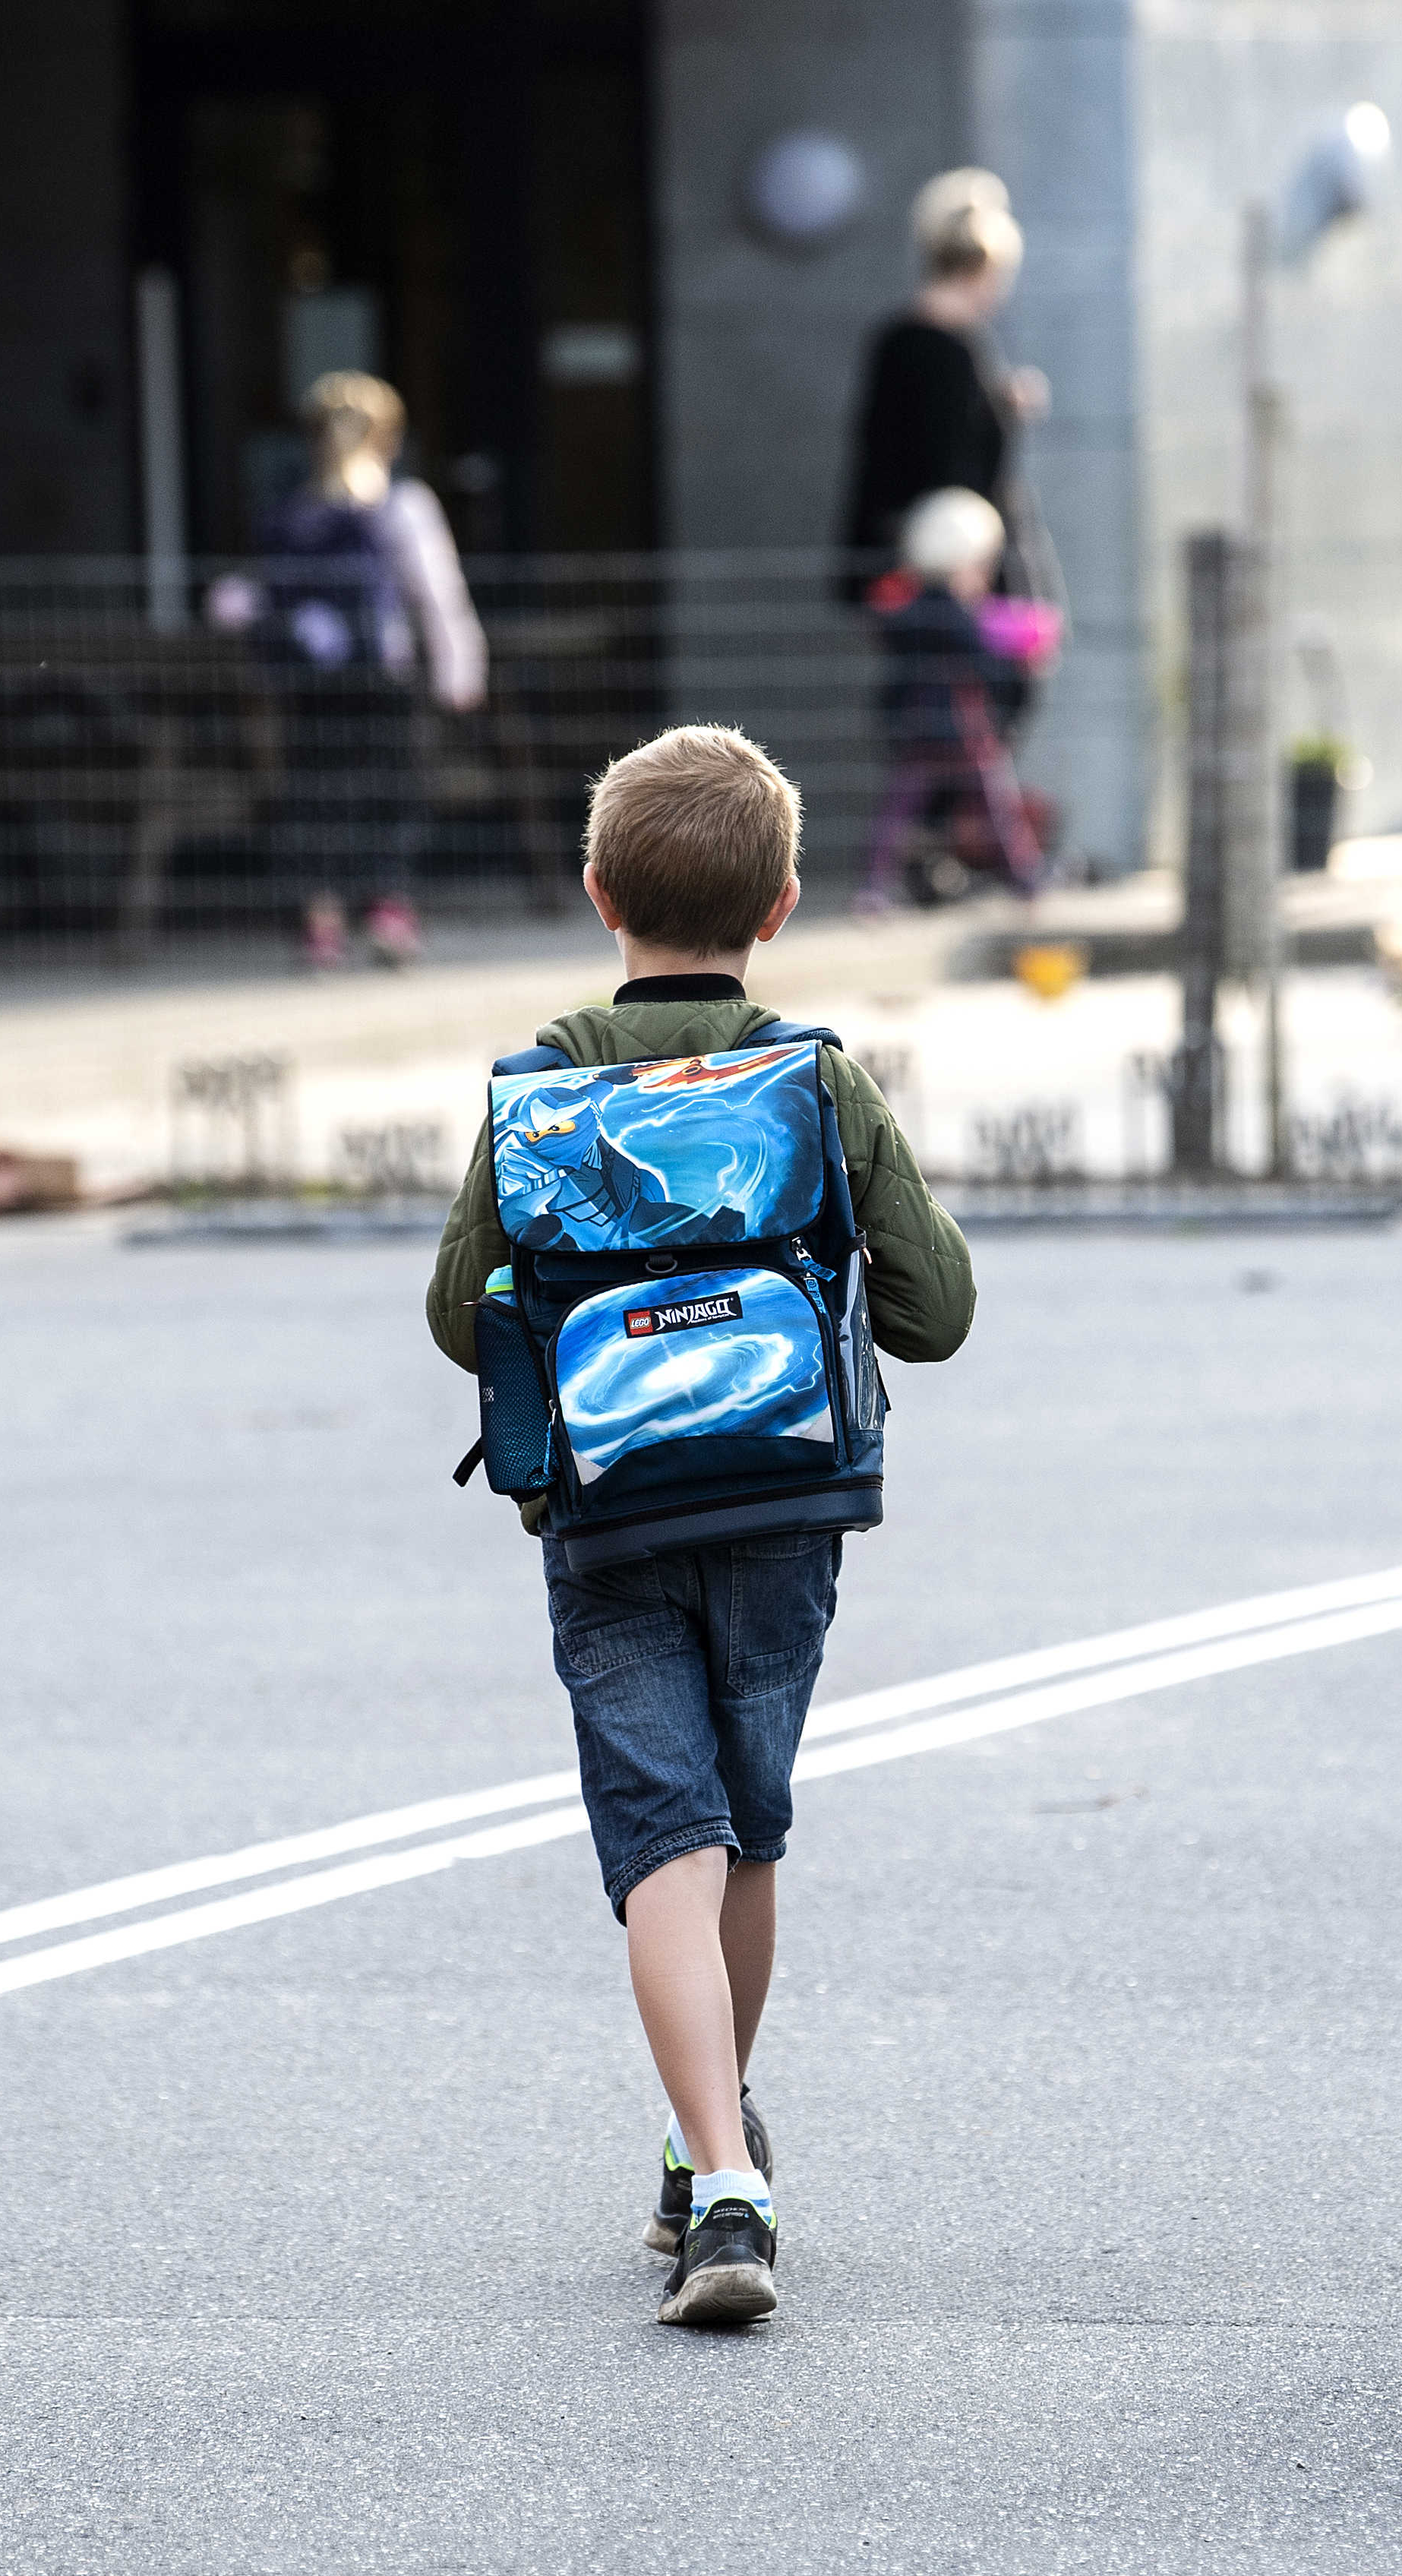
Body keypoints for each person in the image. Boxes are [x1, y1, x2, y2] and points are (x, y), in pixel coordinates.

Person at [424, 724, 977, 2329]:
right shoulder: (813, 1075)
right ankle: (707, 2142)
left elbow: (464, 1319)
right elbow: (934, 1309)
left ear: (598, 891)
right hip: (784, 1499)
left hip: (603, 1515)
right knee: (743, 1817)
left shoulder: (542, 1082)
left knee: (655, 1826)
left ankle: (719, 2173)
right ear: (783, 903)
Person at [252, 371, 486, 956]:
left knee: (315, 793)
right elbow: (438, 594)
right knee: (394, 790)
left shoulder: (294, 512)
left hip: (311, 681)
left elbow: (257, 596)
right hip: (386, 675)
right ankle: (387, 909)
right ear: (388, 436)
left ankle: (321, 920)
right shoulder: (402, 506)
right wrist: (460, 671)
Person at [834, 169, 1059, 610]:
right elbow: (951, 461)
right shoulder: (950, 351)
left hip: (927, 567)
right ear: (985, 270)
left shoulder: (906, 341)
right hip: (953, 573)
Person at [861, 486, 1050, 909]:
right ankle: (1027, 882)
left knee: (897, 813)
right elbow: (987, 666)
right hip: (964, 733)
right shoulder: (960, 618)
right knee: (998, 810)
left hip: (917, 730)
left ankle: (872, 890)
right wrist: (1017, 664)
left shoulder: (906, 612)